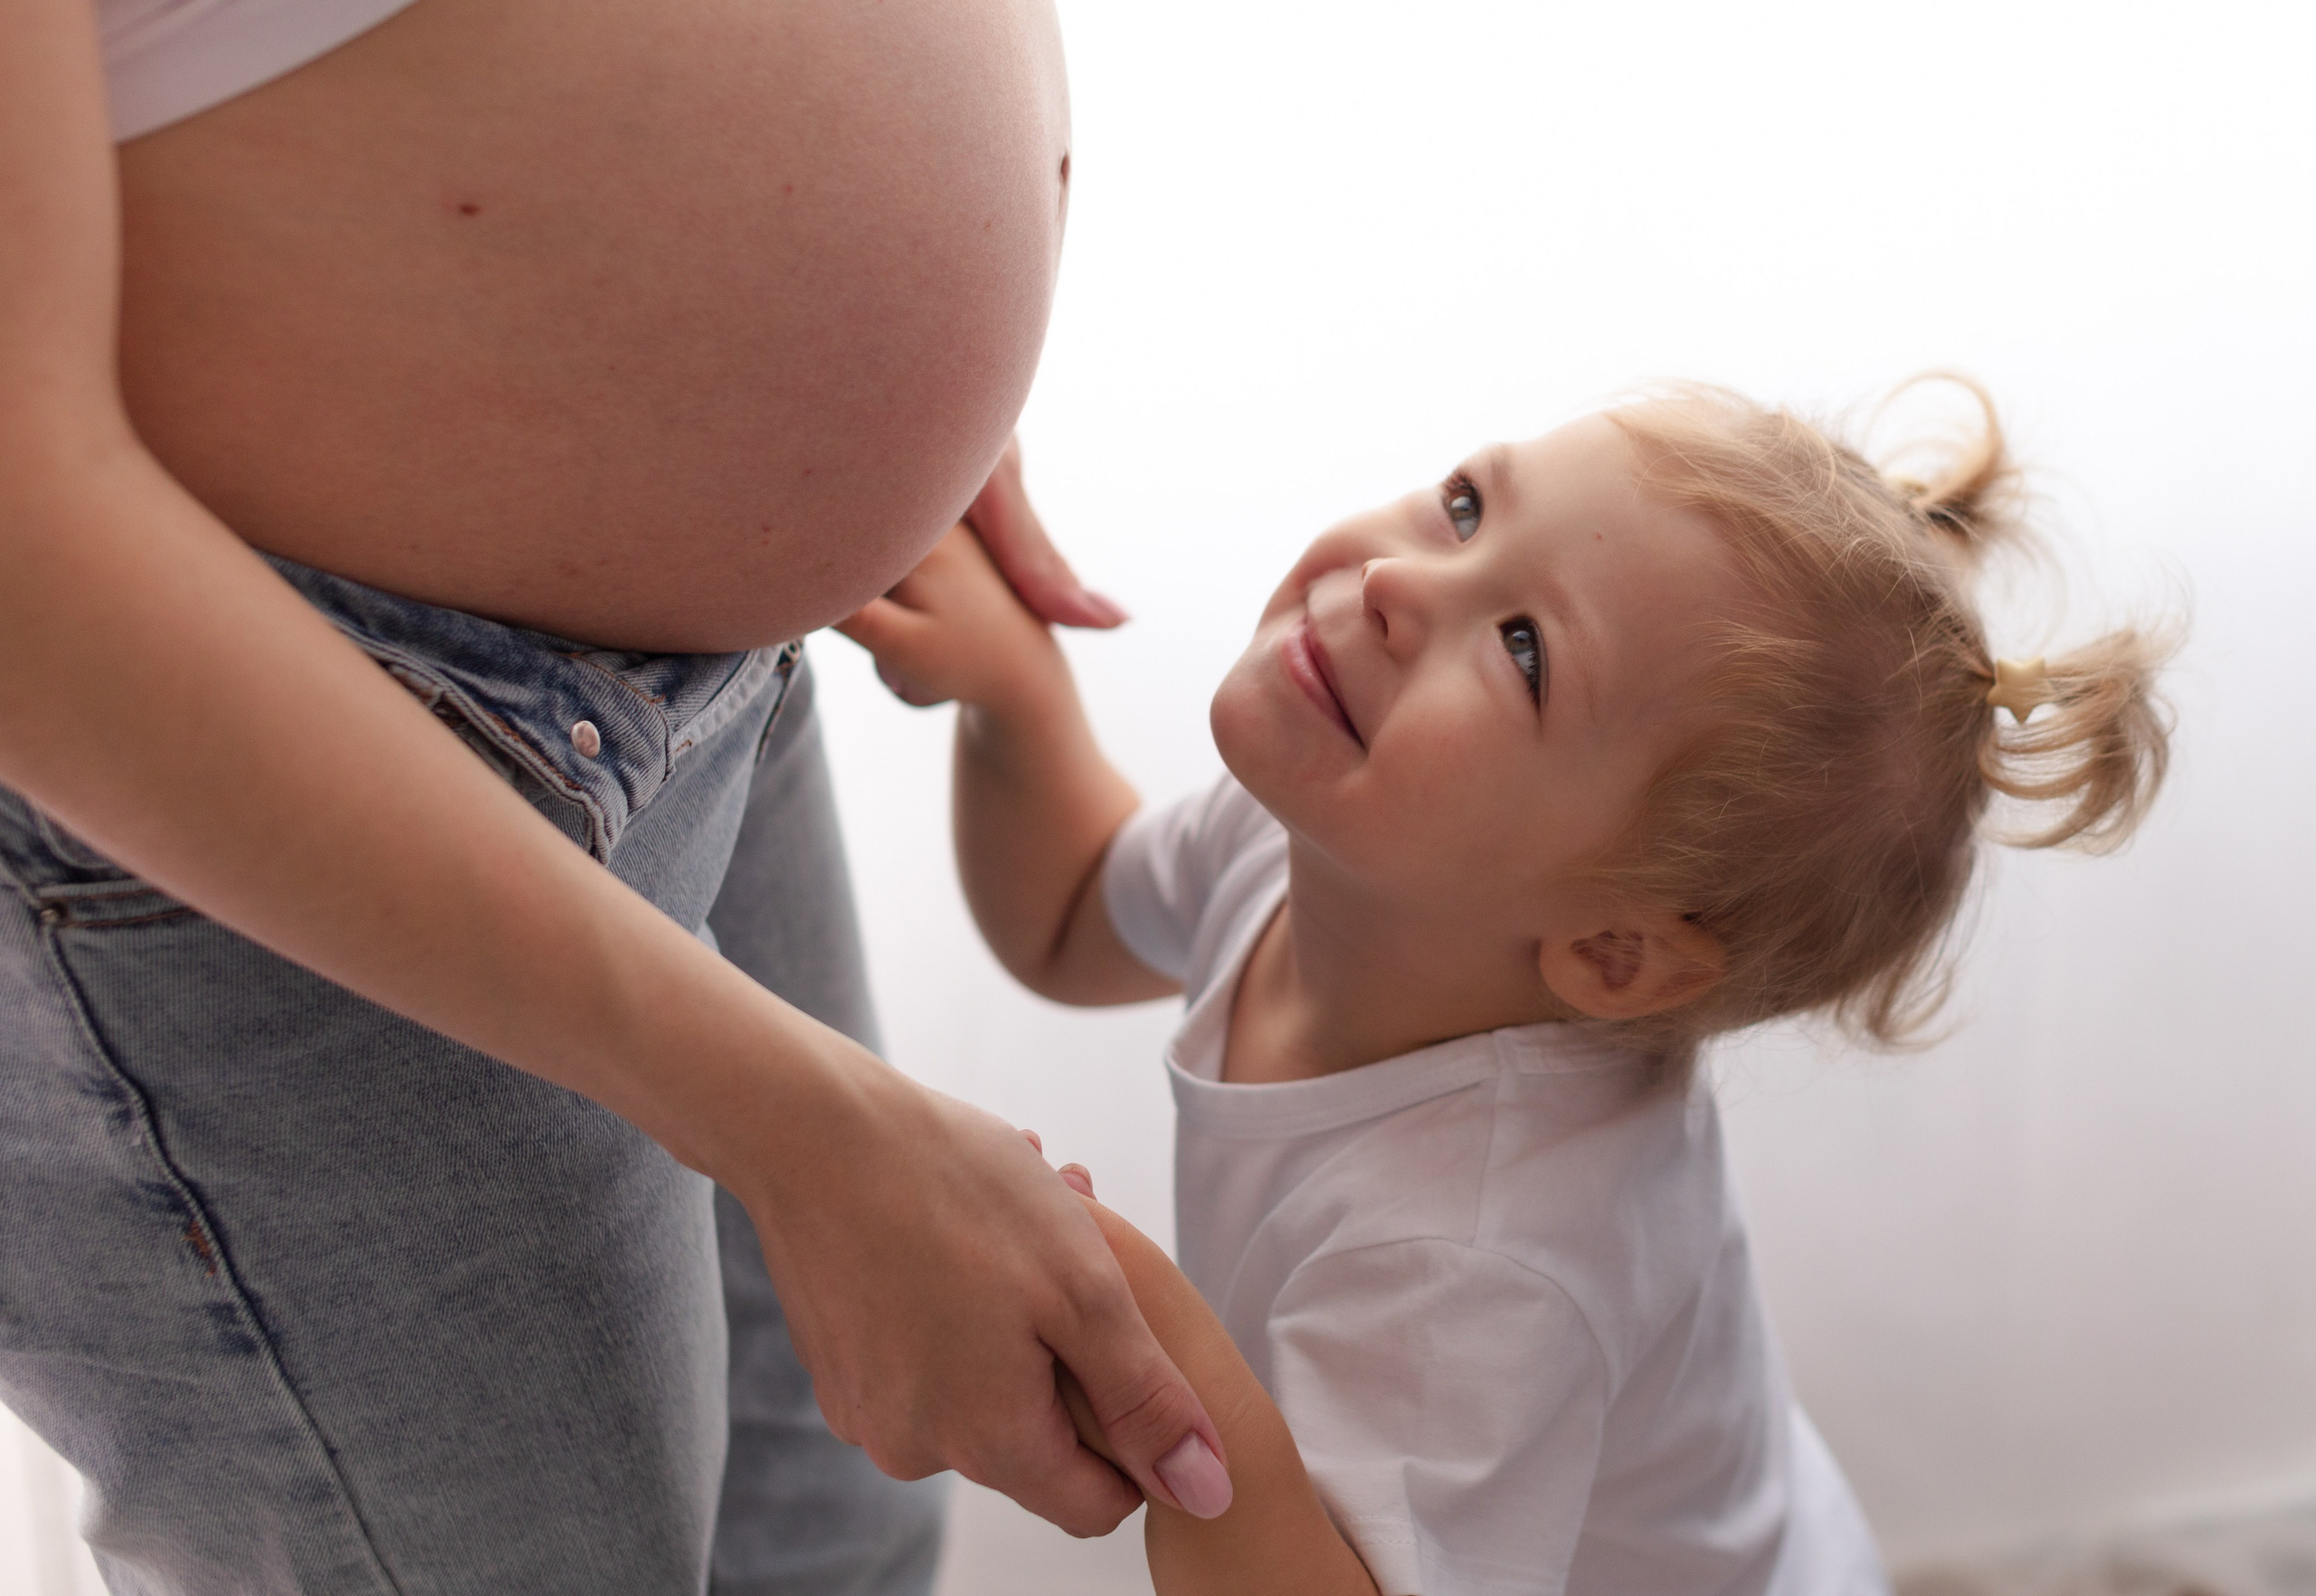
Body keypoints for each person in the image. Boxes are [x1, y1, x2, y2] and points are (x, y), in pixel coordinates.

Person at [0, 0, 1232, 1591]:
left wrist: (864, 307)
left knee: (838, 1534)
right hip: (273, 798)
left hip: (686, 652)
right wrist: (808, 1136)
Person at [841, 376, 2177, 1594]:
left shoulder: (1469, 1255)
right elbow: (1076, 915)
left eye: (1526, 650)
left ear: (1610, 953)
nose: (1400, 584)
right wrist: (1020, 702)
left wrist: (1139, 1333)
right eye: (1468, 507)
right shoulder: (1327, 836)